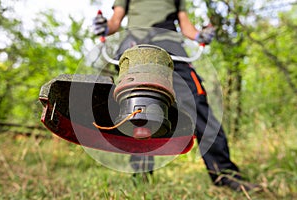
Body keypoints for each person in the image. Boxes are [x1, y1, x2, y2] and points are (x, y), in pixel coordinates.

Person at [93, 0, 259, 192]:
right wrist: (104, 27)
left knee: (198, 103)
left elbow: (185, 24)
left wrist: (200, 35)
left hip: (172, 50)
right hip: (137, 47)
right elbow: (115, 21)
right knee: (140, 110)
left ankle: (224, 174)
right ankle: (141, 176)